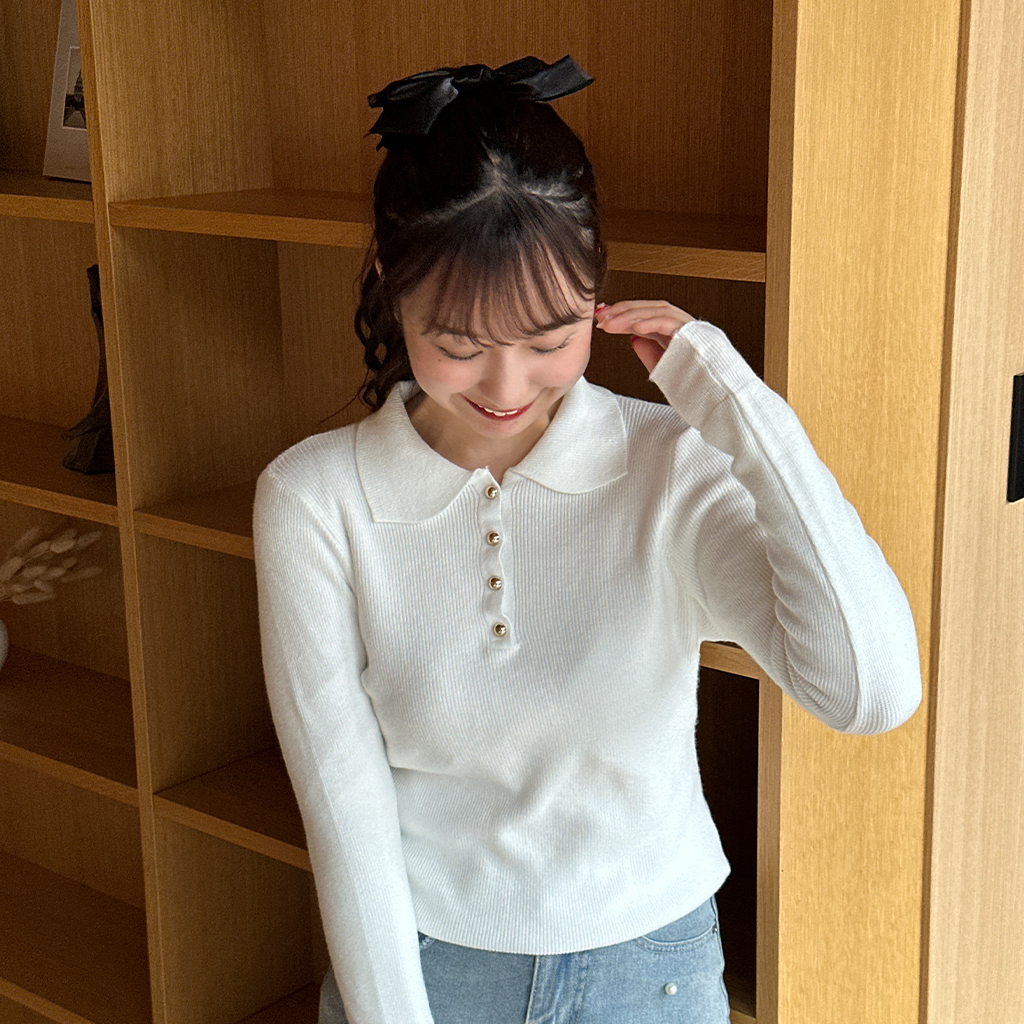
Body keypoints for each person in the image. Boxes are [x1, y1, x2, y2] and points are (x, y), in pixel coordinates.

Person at [253, 56, 922, 1024]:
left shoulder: (670, 462)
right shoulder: (314, 497)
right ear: (390, 287)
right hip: (429, 966)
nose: (507, 387)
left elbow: (868, 692)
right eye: (460, 343)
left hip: (651, 970)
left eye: (549, 338)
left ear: (596, 293)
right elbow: (341, 802)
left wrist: (738, 411)